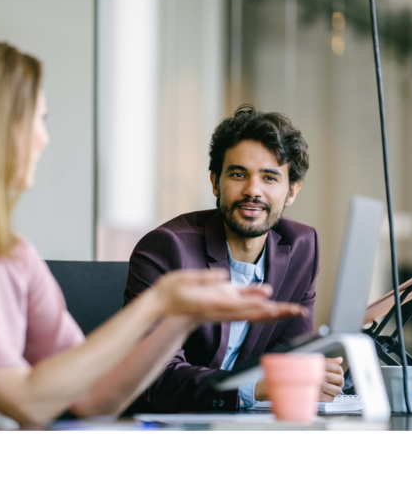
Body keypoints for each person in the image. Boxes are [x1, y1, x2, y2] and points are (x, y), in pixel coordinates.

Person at [0, 41, 304, 430]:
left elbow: (94, 400)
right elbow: (28, 401)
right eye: (37, 119)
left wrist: (178, 319)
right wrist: (158, 304)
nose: (44, 139)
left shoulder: (12, 255)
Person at [124, 105, 345, 413]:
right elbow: (152, 377)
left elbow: (290, 356)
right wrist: (259, 388)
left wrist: (313, 374)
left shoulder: (302, 247)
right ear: (216, 182)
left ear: (292, 190)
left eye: (269, 178)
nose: (252, 191)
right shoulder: (167, 248)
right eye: (239, 174)